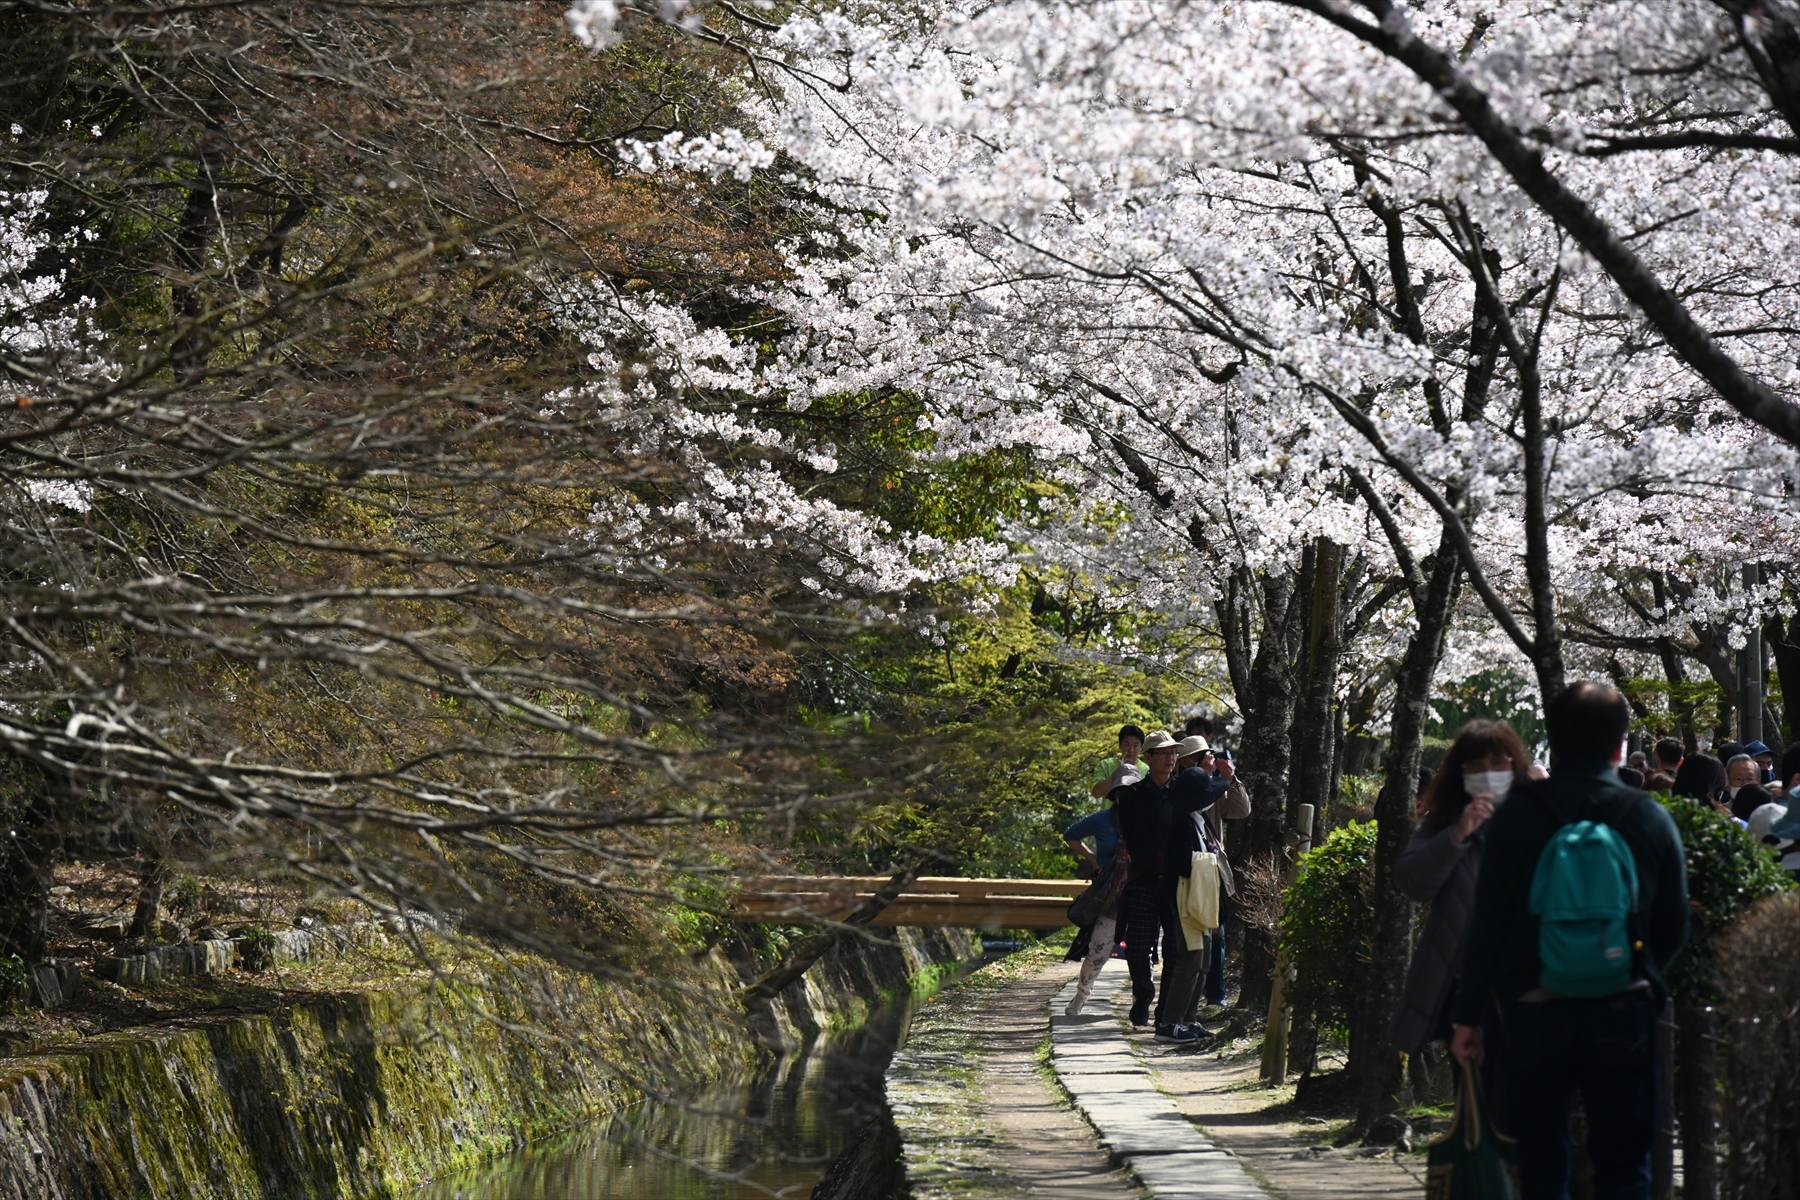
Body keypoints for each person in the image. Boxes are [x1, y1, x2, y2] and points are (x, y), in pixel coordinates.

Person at [1452, 682, 1688, 1199]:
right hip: (1623, 1007)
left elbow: (1487, 926)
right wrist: (1636, 968)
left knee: (1542, 1168)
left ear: (1552, 743)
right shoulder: (1647, 815)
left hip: (1534, 1009)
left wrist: (1469, 1016)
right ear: (1621, 744)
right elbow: (1674, 923)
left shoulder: (1516, 817)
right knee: (1626, 1169)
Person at [1391, 720, 1532, 1113]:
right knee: (1475, 1099)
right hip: (1466, 986)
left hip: (1531, 984)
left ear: (1514, 764)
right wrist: (1457, 835)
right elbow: (1414, 882)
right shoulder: (1447, 819)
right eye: (1474, 765)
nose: (1487, 772)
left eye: (1498, 762)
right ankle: (1480, 1169)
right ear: (1460, 772)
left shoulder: (1537, 812)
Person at [1152, 735, 1239, 1042]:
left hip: (1199, 896)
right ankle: (1169, 1023)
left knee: (1202, 961)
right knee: (1190, 961)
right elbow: (1181, 864)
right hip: (1184, 896)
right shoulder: (1181, 823)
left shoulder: (1198, 820)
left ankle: (1188, 1020)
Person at [1111, 729, 1182, 1026]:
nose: (1170, 758)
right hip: (1142, 876)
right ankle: (1143, 994)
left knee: (1175, 947)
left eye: (1174, 752)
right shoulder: (1133, 796)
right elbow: (1128, 833)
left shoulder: (1182, 793)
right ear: (1148, 757)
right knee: (1138, 944)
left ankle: (1165, 1009)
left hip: (1177, 878)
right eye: (1163, 752)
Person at [1092, 724, 1146, 799]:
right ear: (1120, 745)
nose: (1131, 750)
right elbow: (1096, 793)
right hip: (1110, 810)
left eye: (1135, 746)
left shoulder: (1147, 770)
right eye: (1127, 745)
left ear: (1141, 748)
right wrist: (1120, 772)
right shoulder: (1105, 765)